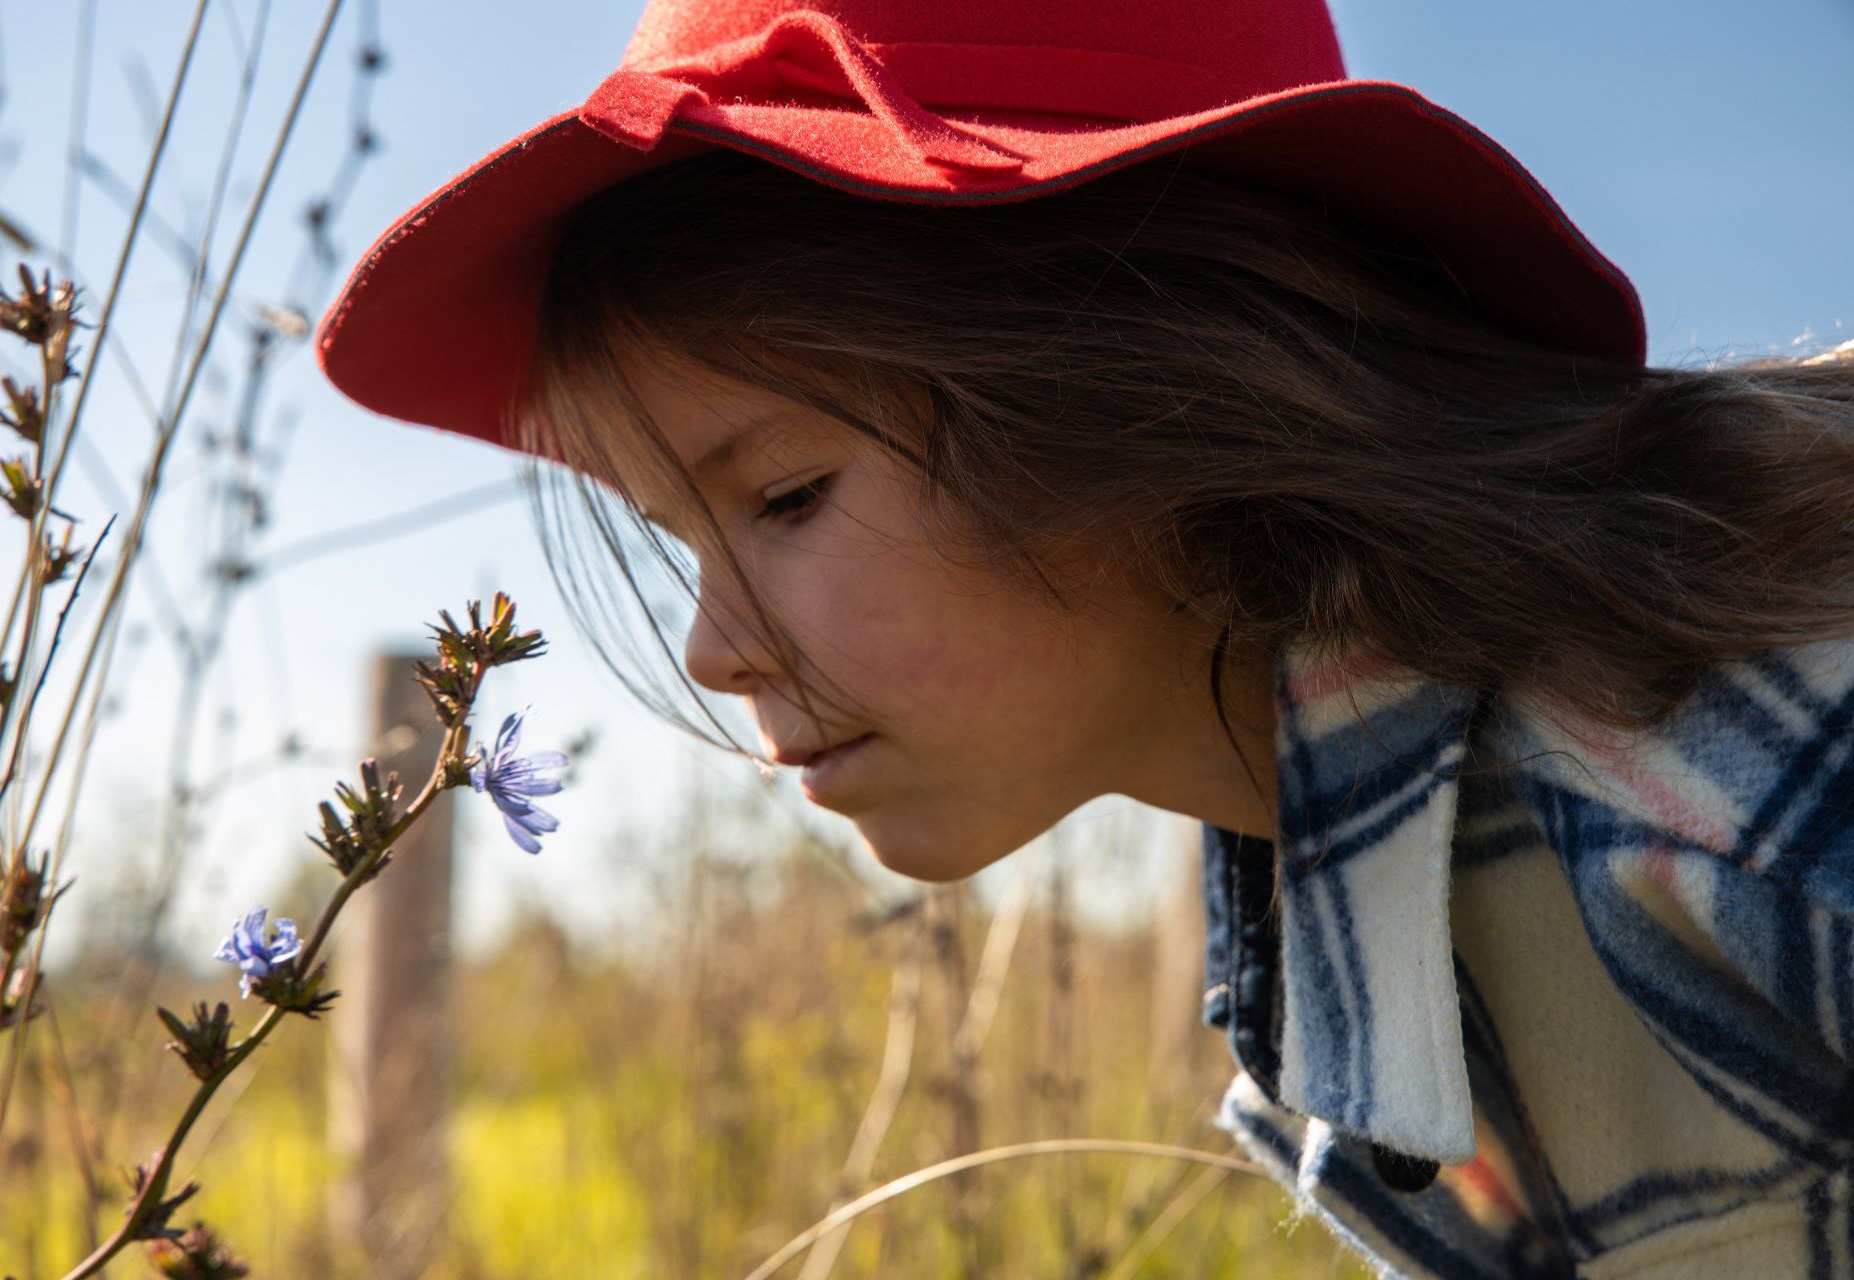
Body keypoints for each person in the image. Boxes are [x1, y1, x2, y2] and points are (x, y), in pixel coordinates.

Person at [314, 1, 1854, 1275]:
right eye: (675, 546)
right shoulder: (1343, 914)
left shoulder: (1731, 810)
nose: (714, 652)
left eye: (784, 495)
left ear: (1151, 388)